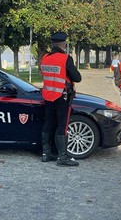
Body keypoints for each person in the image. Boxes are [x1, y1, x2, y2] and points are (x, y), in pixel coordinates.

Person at [40, 32, 82, 166]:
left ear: (52, 44)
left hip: (48, 95)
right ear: (63, 45)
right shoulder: (65, 58)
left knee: (48, 123)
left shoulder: (45, 58)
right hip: (62, 96)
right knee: (62, 126)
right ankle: (62, 157)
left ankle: (46, 153)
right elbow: (77, 77)